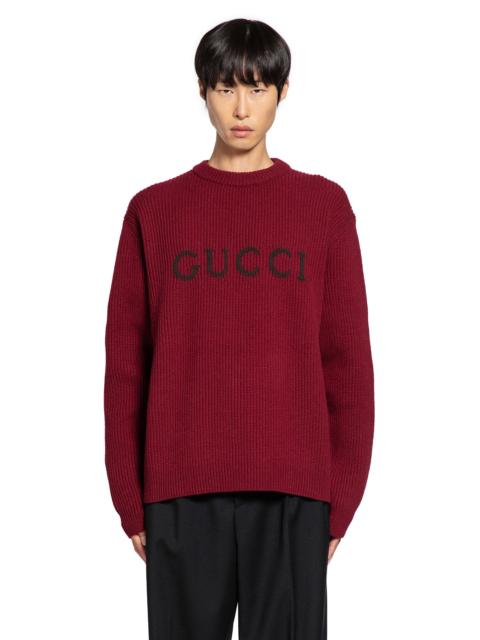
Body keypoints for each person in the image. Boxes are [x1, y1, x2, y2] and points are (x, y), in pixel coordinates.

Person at [103, 17, 375, 640]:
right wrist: (129, 495)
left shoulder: (323, 207)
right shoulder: (154, 210)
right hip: (179, 486)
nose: (242, 108)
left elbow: (347, 362)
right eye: (226, 88)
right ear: (202, 91)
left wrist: (340, 497)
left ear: (284, 91)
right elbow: (126, 365)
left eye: (257, 88)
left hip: (293, 488)